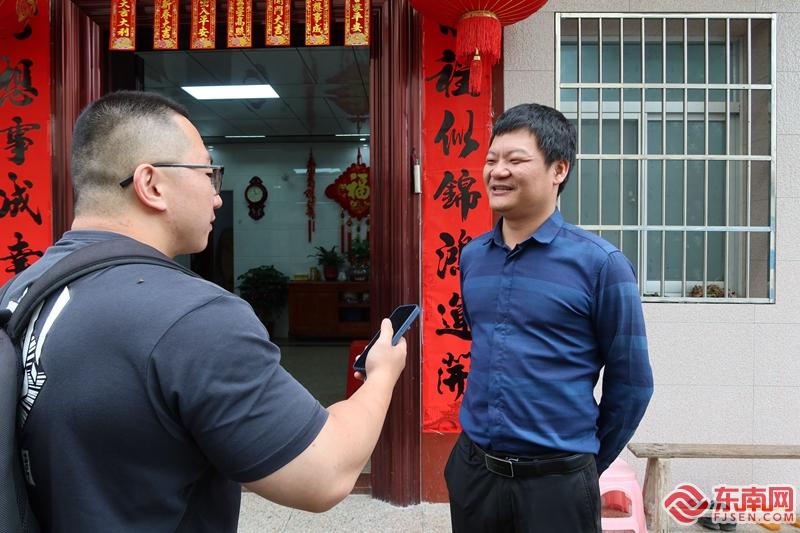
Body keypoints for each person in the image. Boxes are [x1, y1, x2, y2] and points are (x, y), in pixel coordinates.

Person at [0, 91, 407, 532]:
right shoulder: (192, 316)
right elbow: (325, 473)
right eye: (208, 173)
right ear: (151, 184)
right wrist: (382, 374)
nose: (217, 197)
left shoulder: (20, 290)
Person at [444, 103, 653, 533]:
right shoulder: (472, 258)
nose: (498, 171)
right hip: (475, 474)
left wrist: (582, 465)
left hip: (557, 485)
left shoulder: (601, 265)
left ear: (559, 169)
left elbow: (632, 385)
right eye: (491, 159)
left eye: (515, 160)